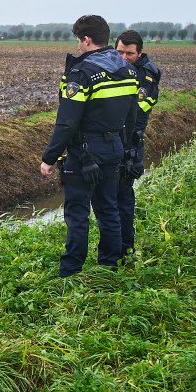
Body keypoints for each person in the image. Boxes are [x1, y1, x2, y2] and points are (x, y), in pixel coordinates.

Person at [40, 15, 138, 276]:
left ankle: (70, 273)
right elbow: (132, 117)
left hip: (85, 152)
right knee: (108, 209)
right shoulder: (127, 70)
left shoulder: (81, 73)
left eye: (78, 40)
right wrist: (127, 149)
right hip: (115, 146)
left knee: (77, 213)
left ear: (86, 39)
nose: (78, 46)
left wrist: (49, 158)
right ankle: (109, 267)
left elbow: (67, 123)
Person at [114, 29, 161, 254]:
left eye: (129, 54)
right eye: (120, 52)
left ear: (139, 53)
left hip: (130, 142)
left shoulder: (147, 75)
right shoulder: (113, 67)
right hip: (112, 139)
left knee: (123, 196)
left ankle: (125, 249)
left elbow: (137, 112)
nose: (124, 58)